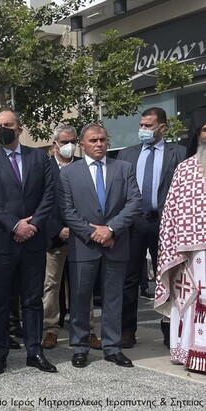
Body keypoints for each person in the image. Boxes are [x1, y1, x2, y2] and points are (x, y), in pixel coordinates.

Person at [0, 108, 56, 375]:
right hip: (1, 241)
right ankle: (0, 353)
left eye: (7, 125)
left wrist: (32, 225)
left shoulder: (39, 157)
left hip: (33, 240)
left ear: (19, 129)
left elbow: (49, 194)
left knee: (33, 299)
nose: (1, 130)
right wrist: (14, 224)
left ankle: (34, 351)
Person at [57, 123, 141, 369]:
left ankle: (112, 348)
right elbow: (67, 210)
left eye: (103, 139)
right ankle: (80, 346)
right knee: (81, 298)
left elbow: (135, 202)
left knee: (113, 298)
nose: (99, 144)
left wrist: (111, 229)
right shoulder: (69, 173)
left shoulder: (123, 168)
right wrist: (94, 233)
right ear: (82, 145)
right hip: (84, 246)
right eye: (93, 140)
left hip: (116, 243)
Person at [117, 107, 186, 349]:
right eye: (142, 125)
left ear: (162, 128)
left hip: (165, 224)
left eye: (149, 126)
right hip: (133, 223)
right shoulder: (127, 154)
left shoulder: (178, 153)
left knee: (168, 276)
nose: (143, 130)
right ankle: (127, 330)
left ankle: (170, 329)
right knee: (129, 278)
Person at [41, 126, 101, 351]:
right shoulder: (45, 168)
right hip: (54, 238)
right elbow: (42, 203)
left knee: (82, 285)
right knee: (51, 286)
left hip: (81, 236)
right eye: (65, 141)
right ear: (55, 143)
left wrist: (80, 229)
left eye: (73, 141)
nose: (70, 145)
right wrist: (57, 230)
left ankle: (88, 330)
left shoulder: (83, 166)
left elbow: (90, 201)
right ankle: (50, 330)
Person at [155, 106, 206, 372]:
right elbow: (172, 211)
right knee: (190, 301)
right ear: (197, 135)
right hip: (188, 254)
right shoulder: (184, 169)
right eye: (205, 130)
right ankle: (189, 351)